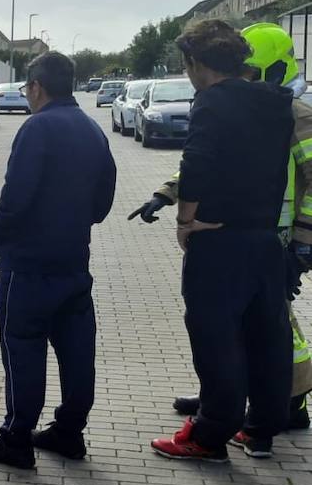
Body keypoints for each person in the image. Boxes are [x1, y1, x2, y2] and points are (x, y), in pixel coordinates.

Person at [129, 22, 312, 439]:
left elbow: (201, 162)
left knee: (222, 334)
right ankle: (260, 420)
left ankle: (220, 426)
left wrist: (184, 222)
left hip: (242, 239)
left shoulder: (222, 103)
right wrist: (165, 193)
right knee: (267, 333)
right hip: (266, 235)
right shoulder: (277, 104)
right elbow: (219, 159)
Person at [0, 51, 117, 469]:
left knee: (22, 349)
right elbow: (103, 201)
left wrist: (0, 233)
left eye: (26, 88)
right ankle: (69, 433)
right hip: (74, 263)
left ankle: (16, 439)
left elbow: (15, 197)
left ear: (36, 87)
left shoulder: (37, 128)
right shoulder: (92, 129)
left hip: (29, 266)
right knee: (77, 351)